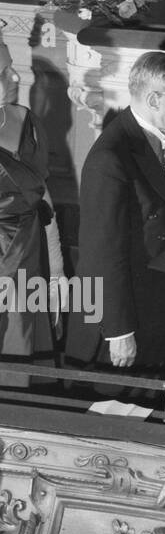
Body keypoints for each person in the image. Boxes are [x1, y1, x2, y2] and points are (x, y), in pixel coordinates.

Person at [66, 53, 165, 381]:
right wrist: (118, 331)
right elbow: (102, 254)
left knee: (156, 411)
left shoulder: (156, 139)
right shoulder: (110, 159)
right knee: (118, 415)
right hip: (125, 321)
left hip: (161, 302)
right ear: (155, 98)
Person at [0, 36, 64, 389]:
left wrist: (56, 274)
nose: (15, 78)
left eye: (12, 68)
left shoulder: (25, 120)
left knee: (24, 356)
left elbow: (44, 199)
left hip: (30, 254)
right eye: (3, 72)